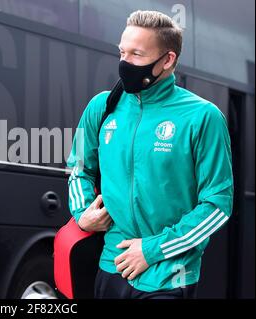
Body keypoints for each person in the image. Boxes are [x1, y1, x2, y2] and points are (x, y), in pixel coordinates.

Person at [66, 10, 233, 299]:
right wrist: (83, 216)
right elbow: (79, 166)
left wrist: (152, 249)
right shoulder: (101, 107)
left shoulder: (204, 117)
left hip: (170, 274)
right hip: (111, 265)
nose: (125, 63)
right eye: (122, 52)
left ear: (167, 60)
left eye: (137, 55)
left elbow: (218, 204)